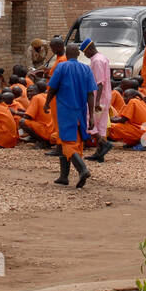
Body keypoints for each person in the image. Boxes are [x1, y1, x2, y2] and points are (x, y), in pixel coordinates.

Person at [45, 43, 97, 187]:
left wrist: (47, 102)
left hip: (65, 112)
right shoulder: (86, 69)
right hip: (81, 113)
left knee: (67, 142)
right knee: (75, 142)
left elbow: (53, 88)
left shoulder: (61, 67)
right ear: (78, 54)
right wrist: (91, 115)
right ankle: (64, 176)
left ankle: (82, 169)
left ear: (66, 54)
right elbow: (90, 94)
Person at [82, 38, 113, 162]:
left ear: (90, 49)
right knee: (100, 124)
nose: (85, 55)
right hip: (105, 96)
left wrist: (96, 102)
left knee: (89, 120)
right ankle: (100, 153)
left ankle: (103, 143)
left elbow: (99, 83)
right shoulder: (102, 58)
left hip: (98, 97)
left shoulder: (96, 61)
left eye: (85, 52)